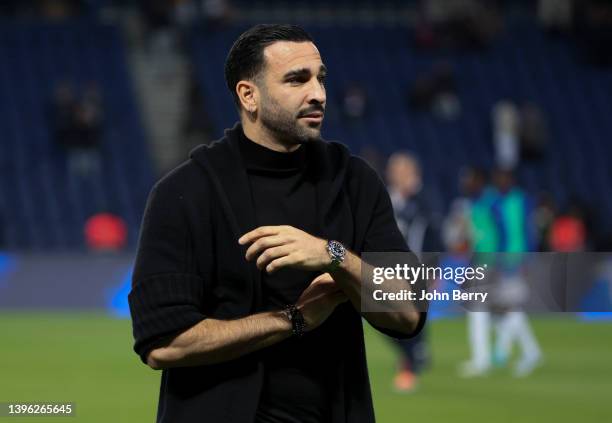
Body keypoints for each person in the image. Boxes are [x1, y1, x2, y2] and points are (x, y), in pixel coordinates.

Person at [128, 24, 426, 423]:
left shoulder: (355, 181)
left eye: (321, 78)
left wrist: (334, 256)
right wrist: (293, 320)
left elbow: (409, 312)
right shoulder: (184, 192)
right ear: (249, 95)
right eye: (296, 80)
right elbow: (163, 344)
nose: (318, 93)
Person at [385, 152, 440, 391]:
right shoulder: (391, 197)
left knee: (405, 317)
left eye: (397, 170)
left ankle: (409, 367)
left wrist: (432, 269)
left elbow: (433, 235)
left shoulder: (424, 201)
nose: (392, 174)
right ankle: (416, 352)